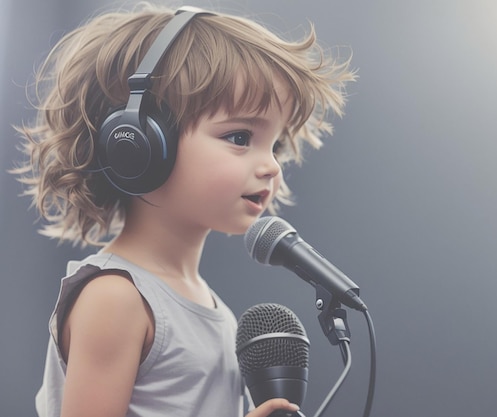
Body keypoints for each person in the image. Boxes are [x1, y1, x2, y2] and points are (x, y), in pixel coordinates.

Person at [12, 3, 355, 416]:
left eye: (276, 145)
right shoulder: (116, 299)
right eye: (241, 136)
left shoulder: (211, 309)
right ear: (139, 143)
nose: (272, 166)